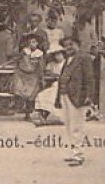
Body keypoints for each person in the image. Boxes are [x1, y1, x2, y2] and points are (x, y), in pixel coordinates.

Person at [55, 35, 93, 168]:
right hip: (66, 95)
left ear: (77, 44)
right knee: (69, 125)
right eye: (66, 45)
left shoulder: (84, 58)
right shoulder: (68, 60)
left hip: (78, 97)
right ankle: (73, 151)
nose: (68, 47)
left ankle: (79, 155)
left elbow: (89, 79)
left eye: (71, 44)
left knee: (77, 125)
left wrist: (89, 96)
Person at [11, 32, 45, 118]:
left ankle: (28, 114)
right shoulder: (25, 51)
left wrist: (41, 76)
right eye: (29, 43)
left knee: (31, 95)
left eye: (33, 42)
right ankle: (19, 106)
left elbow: (41, 66)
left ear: (37, 43)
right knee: (21, 91)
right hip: (22, 74)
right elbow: (17, 58)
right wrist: (8, 63)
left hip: (33, 76)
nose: (31, 44)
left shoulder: (39, 53)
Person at [34, 46, 65, 125]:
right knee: (41, 95)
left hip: (64, 86)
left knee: (52, 97)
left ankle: (60, 117)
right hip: (55, 84)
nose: (57, 57)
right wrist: (52, 75)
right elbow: (47, 73)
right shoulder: (52, 64)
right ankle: (43, 116)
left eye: (59, 54)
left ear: (63, 54)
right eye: (55, 55)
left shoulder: (66, 63)